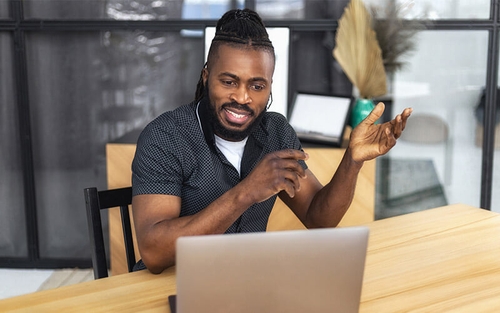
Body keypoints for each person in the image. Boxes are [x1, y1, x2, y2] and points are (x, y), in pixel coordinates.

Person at [131, 8, 412, 274]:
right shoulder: (166, 137)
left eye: (256, 86)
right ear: (206, 77)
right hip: (172, 288)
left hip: (244, 286)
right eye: (228, 82)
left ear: (269, 88)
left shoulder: (275, 132)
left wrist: (352, 161)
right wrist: (247, 192)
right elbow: (154, 253)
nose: (242, 97)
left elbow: (318, 218)